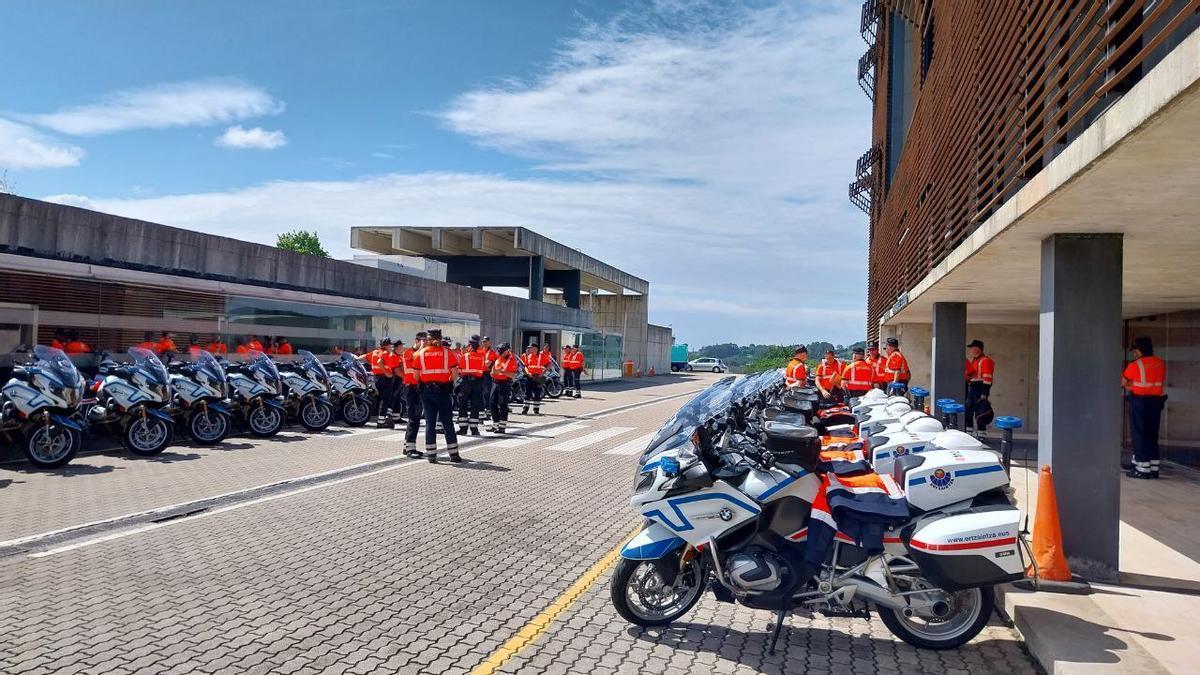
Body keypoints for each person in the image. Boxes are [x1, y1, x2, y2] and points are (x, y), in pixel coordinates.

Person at [1123, 337, 1167, 479]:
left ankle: (1142, 469)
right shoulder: (1160, 363)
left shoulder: (1135, 365)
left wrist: (1131, 386)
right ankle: (1153, 467)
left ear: (1139, 350)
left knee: (1139, 434)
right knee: (1151, 434)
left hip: (1140, 402)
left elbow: (1123, 382)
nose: (1134, 354)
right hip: (1156, 403)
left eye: (1135, 350)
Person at [415, 328, 461, 463]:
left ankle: (431, 455)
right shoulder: (448, 353)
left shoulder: (420, 354)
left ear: (428, 340)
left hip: (427, 392)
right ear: (440, 338)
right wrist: (448, 382)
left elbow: (416, 375)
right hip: (443, 391)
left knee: (430, 423)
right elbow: (455, 373)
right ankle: (453, 455)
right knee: (447, 423)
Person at [401, 332, 427, 458]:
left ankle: (408, 446)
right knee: (413, 418)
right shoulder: (408, 353)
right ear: (416, 340)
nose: (425, 344)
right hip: (411, 388)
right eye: (423, 341)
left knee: (415, 418)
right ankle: (410, 448)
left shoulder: (421, 353)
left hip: (418, 388)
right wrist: (422, 348)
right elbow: (415, 358)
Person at [965, 339, 995, 438]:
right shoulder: (975, 360)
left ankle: (981, 434)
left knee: (980, 411)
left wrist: (984, 393)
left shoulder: (985, 361)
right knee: (969, 410)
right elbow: (973, 375)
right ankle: (968, 433)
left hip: (980, 388)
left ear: (978, 349)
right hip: (972, 387)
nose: (971, 351)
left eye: (973, 348)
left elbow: (987, 378)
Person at [457, 337, 487, 436]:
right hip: (477, 383)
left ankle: (463, 429)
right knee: (475, 406)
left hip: (466, 382)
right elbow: (483, 369)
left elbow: (459, 371)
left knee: (463, 405)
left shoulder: (464, 356)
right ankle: (474, 429)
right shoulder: (482, 357)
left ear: (470, 346)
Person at [489, 343, 519, 433]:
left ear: (507, 350)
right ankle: (495, 425)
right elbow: (492, 372)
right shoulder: (498, 359)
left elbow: (512, 375)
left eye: (502, 351)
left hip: (504, 384)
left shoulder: (512, 360)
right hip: (495, 383)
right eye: (499, 351)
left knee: (503, 405)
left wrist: (501, 371)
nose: (500, 353)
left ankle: (502, 427)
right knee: (492, 403)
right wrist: (493, 372)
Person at [371, 337, 396, 427]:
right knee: (385, 400)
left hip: (377, 378)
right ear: (387, 345)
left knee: (380, 399)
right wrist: (386, 373)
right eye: (390, 345)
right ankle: (381, 421)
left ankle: (381, 419)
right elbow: (379, 362)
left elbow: (369, 359)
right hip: (385, 378)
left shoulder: (375, 352)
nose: (391, 347)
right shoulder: (385, 353)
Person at [520, 343, 550, 415]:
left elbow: (549, 365)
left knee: (537, 393)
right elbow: (526, 366)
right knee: (527, 393)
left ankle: (536, 409)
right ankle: (525, 409)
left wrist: (542, 373)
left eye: (531, 348)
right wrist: (527, 373)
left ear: (536, 348)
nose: (530, 349)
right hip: (529, 376)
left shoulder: (542, 356)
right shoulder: (529, 356)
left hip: (538, 377)